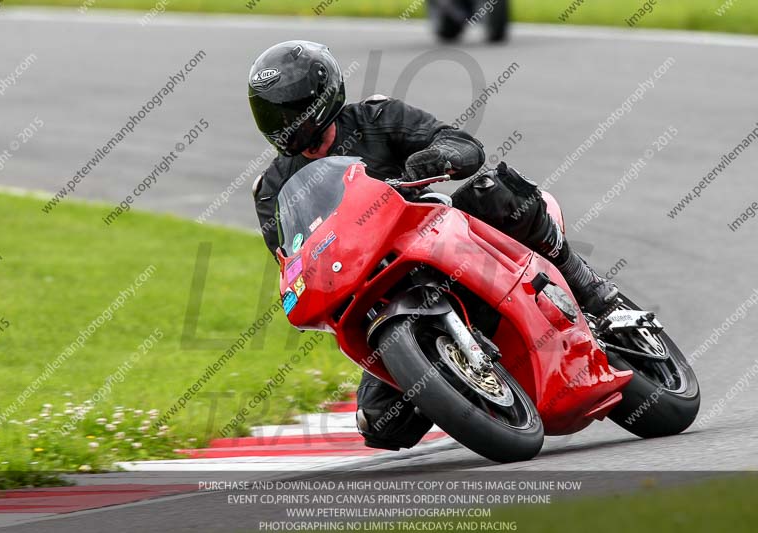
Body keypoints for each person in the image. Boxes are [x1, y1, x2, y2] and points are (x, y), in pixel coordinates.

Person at [249, 41, 618, 451]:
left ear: (321, 97)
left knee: (496, 193)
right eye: (273, 116)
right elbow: (291, 260)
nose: (285, 124)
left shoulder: (377, 117)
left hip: (436, 238)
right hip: (371, 288)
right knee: (379, 423)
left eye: (292, 110)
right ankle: (451, 379)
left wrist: (438, 157)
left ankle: (589, 289)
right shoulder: (272, 189)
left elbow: (463, 145)